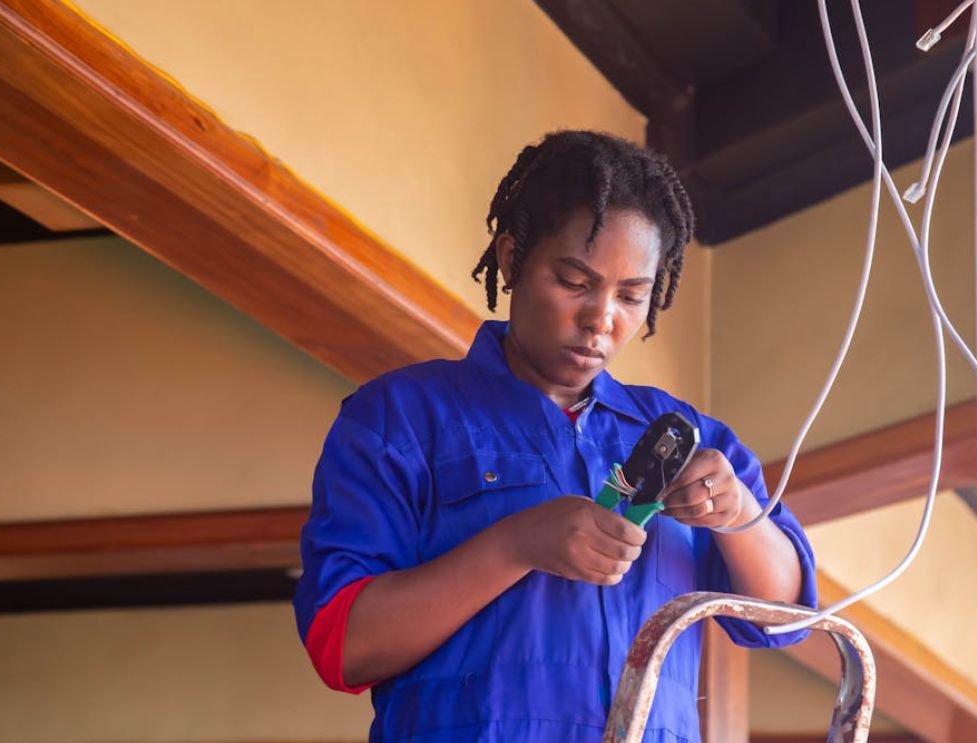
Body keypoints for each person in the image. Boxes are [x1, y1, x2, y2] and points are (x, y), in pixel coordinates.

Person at [293, 130, 817, 743]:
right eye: (574, 282)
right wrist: (516, 544)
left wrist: (740, 515)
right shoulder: (400, 417)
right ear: (512, 260)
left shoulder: (688, 437)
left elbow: (786, 620)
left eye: (631, 296)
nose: (602, 319)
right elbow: (344, 645)